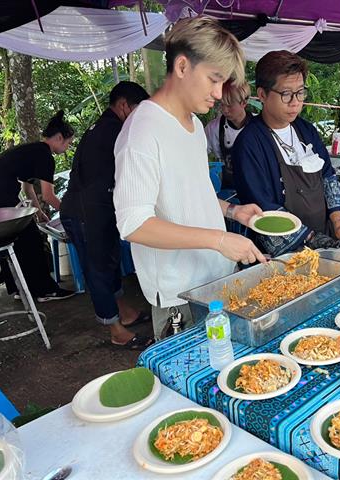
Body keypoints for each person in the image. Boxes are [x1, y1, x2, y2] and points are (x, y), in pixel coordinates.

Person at [113, 17, 266, 339]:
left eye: (223, 83)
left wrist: (231, 211)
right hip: (179, 295)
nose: (219, 93)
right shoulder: (142, 131)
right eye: (214, 79)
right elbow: (134, 224)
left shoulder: (195, 126)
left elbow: (188, 193)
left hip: (217, 278)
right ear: (182, 66)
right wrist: (220, 239)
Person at [232, 50, 340, 256]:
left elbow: (328, 177)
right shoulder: (249, 144)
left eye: (300, 92)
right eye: (286, 94)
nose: (295, 102)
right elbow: (263, 209)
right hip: (282, 254)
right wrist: (311, 238)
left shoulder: (306, 130)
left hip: (323, 240)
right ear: (262, 94)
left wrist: (338, 224)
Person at [60, 82, 153, 350]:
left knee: (110, 261)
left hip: (98, 208)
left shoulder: (106, 127)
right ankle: (116, 330)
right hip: (86, 212)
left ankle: (124, 311)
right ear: (124, 105)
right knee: (98, 268)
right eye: (137, 109)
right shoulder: (113, 130)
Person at [0, 111, 76, 302]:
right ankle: (44, 290)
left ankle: (21, 288)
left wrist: (39, 211)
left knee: (17, 239)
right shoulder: (44, 156)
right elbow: (49, 196)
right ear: (59, 138)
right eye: (68, 143)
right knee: (31, 237)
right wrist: (71, 213)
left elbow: (27, 186)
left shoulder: (33, 150)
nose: (67, 148)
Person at [204, 80, 252, 189]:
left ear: (244, 103)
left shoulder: (259, 127)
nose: (225, 110)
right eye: (222, 104)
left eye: (230, 105)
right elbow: (197, 154)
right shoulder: (214, 128)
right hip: (229, 189)